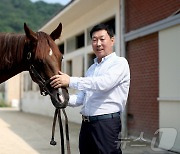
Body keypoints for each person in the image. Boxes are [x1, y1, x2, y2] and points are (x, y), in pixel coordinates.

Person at [50, 23, 130, 154]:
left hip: (106, 124)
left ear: (112, 40)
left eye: (102, 39)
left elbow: (104, 84)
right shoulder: (91, 69)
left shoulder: (120, 63)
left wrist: (70, 81)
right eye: (94, 40)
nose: (98, 43)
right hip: (86, 125)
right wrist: (61, 98)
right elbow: (82, 98)